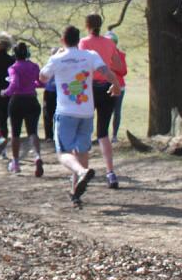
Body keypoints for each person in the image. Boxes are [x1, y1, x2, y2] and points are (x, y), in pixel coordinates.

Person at [41, 25, 120, 207]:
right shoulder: (90, 55)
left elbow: (43, 77)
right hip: (86, 111)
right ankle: (76, 192)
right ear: (79, 40)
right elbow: (105, 72)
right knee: (82, 150)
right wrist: (115, 84)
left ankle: (81, 173)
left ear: (62, 40)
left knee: (63, 153)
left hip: (66, 112)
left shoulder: (57, 58)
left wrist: (54, 59)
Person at [78, 14, 128, 189]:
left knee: (84, 129)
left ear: (87, 25)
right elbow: (117, 66)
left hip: (89, 88)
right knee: (103, 133)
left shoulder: (84, 43)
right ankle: (110, 172)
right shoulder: (109, 43)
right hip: (108, 87)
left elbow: (81, 65)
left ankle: (82, 173)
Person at [2, 42, 44, 177]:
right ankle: (37, 156)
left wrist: (5, 92)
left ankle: (15, 163)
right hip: (32, 100)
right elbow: (41, 82)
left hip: (17, 101)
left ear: (15, 55)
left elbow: (14, 83)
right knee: (33, 132)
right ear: (27, 54)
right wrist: (32, 84)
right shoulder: (34, 66)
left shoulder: (13, 68)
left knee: (15, 133)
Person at [106, 31, 127, 142]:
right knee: (105, 111)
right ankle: (103, 135)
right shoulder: (102, 54)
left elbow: (123, 71)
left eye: (112, 42)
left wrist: (111, 67)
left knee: (117, 111)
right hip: (104, 86)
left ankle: (114, 136)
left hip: (119, 86)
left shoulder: (121, 55)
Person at [42, 77, 57, 141]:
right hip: (49, 91)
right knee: (48, 114)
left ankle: (57, 135)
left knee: (59, 115)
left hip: (60, 92)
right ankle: (49, 136)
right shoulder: (48, 67)